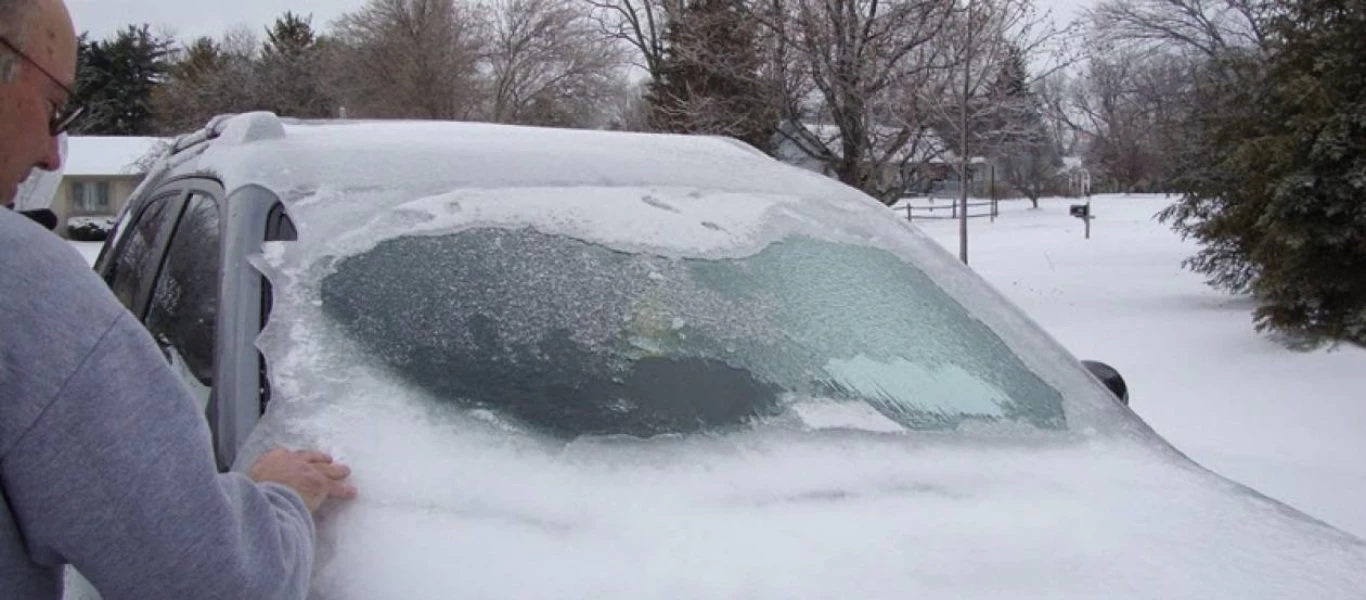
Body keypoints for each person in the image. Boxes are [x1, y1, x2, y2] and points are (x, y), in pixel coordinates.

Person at [0, 1, 357, 598]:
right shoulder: (23, 291)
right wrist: (281, 498)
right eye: (55, 109)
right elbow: (216, 581)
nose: (53, 155)